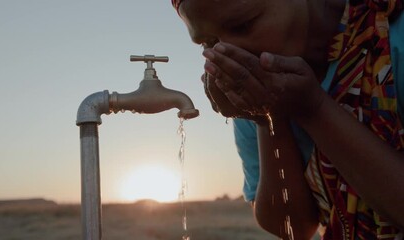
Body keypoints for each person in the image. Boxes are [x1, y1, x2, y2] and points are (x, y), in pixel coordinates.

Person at [171, 0, 404, 239]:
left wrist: (313, 110)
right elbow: (294, 228)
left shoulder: (393, 34)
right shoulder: (251, 92)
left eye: (243, 25)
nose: (230, 53)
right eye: (210, 43)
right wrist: (268, 120)